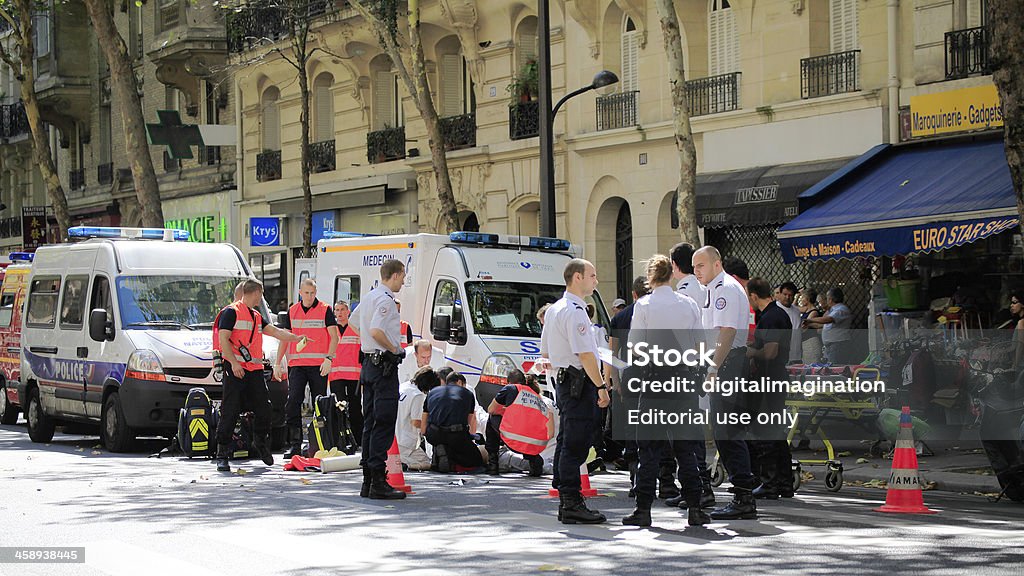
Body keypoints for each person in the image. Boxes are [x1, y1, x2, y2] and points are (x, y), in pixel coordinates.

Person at [622, 255, 710, 527]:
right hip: (683, 381)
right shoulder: (688, 304)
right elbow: (701, 344)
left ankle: (644, 509)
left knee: (649, 449)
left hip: (654, 380)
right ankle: (695, 508)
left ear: (650, 278)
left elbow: (636, 346)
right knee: (685, 449)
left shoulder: (644, 305)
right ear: (672, 274)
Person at [541, 258, 610, 524]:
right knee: (576, 442)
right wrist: (601, 386)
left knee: (570, 439)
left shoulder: (556, 309)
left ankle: (567, 498)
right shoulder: (575, 311)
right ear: (577, 277)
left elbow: (546, 351)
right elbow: (585, 355)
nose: (596, 280)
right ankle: (571, 501)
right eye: (592, 275)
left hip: (566, 382)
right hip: (578, 383)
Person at [692, 246, 759, 520]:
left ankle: (744, 495)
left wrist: (713, 368)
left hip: (728, 363)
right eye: (694, 266)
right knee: (724, 431)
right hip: (724, 362)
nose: (696, 271)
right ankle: (743, 492)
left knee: (727, 432)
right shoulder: (713, 288)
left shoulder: (726, 289)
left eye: (701, 266)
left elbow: (727, 332)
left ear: (716, 264)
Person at [214, 279, 304, 472]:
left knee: (264, 409)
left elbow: (275, 332)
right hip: (236, 369)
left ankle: (260, 442)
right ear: (255, 292)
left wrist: (295, 338)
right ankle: (222, 453)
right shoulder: (231, 312)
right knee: (230, 410)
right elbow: (223, 340)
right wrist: (234, 363)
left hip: (254, 371)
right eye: (260, 294)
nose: (261, 298)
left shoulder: (255, 316)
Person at [355, 258, 409, 500]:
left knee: (369, 422)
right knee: (384, 422)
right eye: (403, 276)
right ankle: (378, 480)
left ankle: (368, 481)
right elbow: (377, 330)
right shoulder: (385, 300)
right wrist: (393, 349)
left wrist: (369, 343)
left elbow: (355, 323)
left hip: (368, 364)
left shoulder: (369, 297)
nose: (404, 281)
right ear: (395, 275)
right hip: (383, 367)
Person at [669, 242, 715, 509]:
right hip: (698, 366)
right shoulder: (700, 288)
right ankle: (694, 487)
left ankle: (700, 488)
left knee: (690, 433)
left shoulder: (685, 291)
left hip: (688, 368)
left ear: (675, 266)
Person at [276, 279, 340, 459]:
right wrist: (278, 362)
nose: (310, 296)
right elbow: (284, 338)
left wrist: (329, 358)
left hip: (318, 365)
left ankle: (320, 443)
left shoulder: (325, 310)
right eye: (306, 293)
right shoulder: (293, 311)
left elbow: (334, 337)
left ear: (316, 292)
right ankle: (295, 445)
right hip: (297, 365)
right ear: (300, 292)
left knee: (319, 404)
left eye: (312, 293)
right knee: (293, 402)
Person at [746, 277, 796, 500]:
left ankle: (770, 482)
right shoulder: (773, 315)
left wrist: (751, 353)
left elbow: (771, 351)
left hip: (769, 379)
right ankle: (784, 483)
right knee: (776, 433)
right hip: (774, 379)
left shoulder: (771, 318)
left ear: (754, 296)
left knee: (765, 432)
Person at [485, 368, 552, 477]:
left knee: (492, 416)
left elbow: (491, 409)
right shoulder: (536, 395)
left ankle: (493, 463)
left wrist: (503, 411)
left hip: (514, 438)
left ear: (509, 382)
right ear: (525, 381)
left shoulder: (510, 388)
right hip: (536, 443)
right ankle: (534, 460)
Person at [422, 371, 486, 471]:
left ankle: (441, 452)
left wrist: (425, 433)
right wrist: (470, 439)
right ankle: (451, 460)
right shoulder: (467, 393)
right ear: (460, 382)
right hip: (455, 435)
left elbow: (425, 415)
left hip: (433, 434)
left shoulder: (433, 392)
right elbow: (471, 419)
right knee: (476, 460)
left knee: (446, 441)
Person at [329, 301, 363, 445]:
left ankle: (358, 438)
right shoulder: (331, 330)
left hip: (354, 375)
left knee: (355, 408)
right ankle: (340, 438)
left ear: (348, 311)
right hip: (336, 375)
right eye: (337, 310)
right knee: (338, 407)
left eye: (342, 309)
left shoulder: (355, 328)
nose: (340, 313)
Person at [398, 366, 438, 471]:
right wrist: (429, 427)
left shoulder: (403, 386)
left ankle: (402, 462)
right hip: (405, 442)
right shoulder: (418, 395)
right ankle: (407, 465)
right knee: (428, 463)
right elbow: (416, 422)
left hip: (393, 437)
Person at [804, 287, 854, 365]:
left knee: (836, 368)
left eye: (827, 298)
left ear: (830, 299)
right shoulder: (832, 310)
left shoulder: (841, 309)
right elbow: (822, 324)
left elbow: (829, 319)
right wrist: (809, 324)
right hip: (831, 346)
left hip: (838, 345)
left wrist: (810, 320)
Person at [775, 281, 803, 364]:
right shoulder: (774, 309)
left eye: (790, 295)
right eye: (785, 294)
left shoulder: (796, 311)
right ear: (780, 294)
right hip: (780, 356)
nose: (787, 297)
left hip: (796, 356)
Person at [798, 289, 823, 365]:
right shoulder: (806, 310)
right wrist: (797, 295)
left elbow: (804, 327)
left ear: (807, 299)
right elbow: (792, 308)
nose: (801, 299)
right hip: (805, 342)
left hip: (810, 342)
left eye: (803, 297)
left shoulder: (813, 312)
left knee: (811, 365)